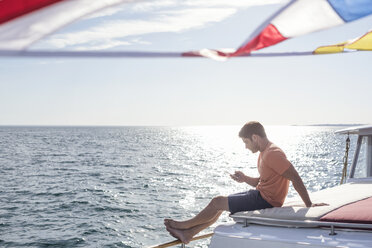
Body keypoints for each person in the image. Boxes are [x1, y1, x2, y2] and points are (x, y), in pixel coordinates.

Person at [164, 121, 319, 244]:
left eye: (246, 142)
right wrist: (244, 178)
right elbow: (262, 181)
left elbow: (295, 177)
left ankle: (183, 226)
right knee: (219, 206)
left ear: (255, 138)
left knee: (217, 202)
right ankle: (189, 234)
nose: (245, 146)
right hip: (260, 194)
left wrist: (309, 205)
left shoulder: (273, 153)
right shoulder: (264, 153)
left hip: (266, 200)